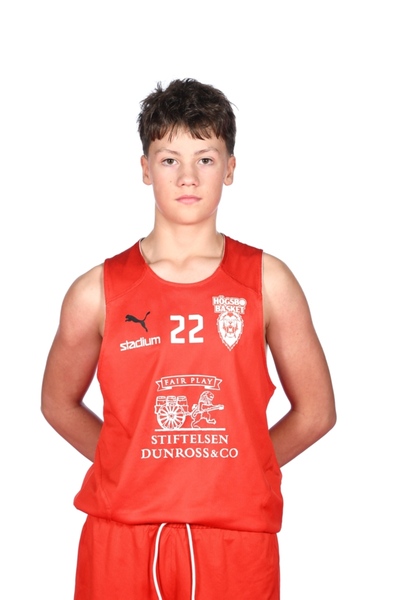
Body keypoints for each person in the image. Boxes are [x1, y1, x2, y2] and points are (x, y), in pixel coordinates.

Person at [41, 78, 336, 600]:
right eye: (169, 159)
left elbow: (316, 412)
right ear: (145, 168)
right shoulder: (96, 291)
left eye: (205, 158)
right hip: (122, 535)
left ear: (230, 168)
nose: (187, 177)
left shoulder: (268, 282)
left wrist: (239, 466)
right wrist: (131, 464)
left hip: (235, 539)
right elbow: (58, 403)